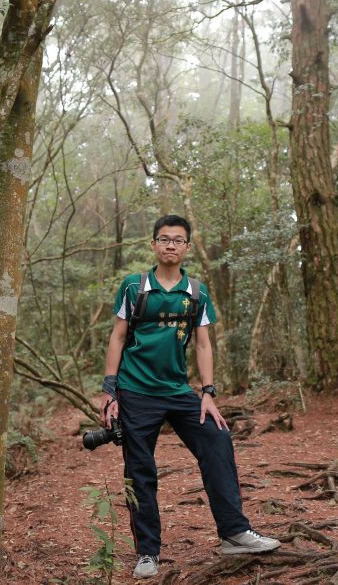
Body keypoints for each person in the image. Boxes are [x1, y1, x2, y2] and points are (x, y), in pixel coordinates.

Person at [99, 214, 280, 579]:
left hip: (179, 391)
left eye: (177, 240)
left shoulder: (196, 292)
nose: (170, 245)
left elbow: (202, 343)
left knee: (217, 439)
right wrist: (108, 390)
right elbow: (117, 337)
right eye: (163, 239)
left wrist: (208, 393)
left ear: (187, 247)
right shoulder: (135, 288)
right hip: (135, 392)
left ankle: (234, 532)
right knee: (141, 471)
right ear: (153, 245)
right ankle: (147, 552)